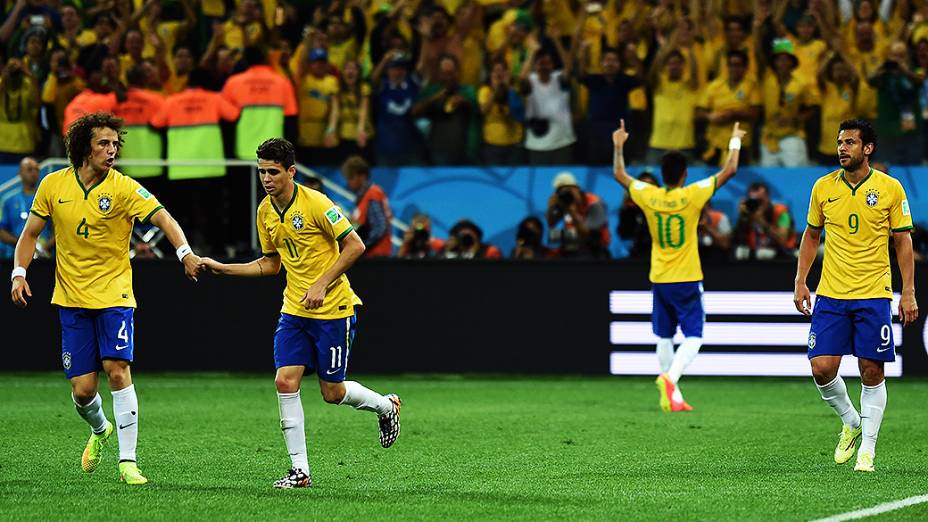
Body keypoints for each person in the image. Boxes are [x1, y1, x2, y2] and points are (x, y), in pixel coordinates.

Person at [9, 112, 203, 486]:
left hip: (115, 294)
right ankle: (100, 428)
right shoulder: (52, 185)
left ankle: (128, 463)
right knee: (83, 391)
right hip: (71, 297)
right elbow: (31, 234)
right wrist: (19, 273)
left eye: (115, 144)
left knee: (117, 369)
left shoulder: (125, 188)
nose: (112, 150)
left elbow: (164, 219)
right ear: (84, 147)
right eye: (103, 143)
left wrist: (185, 254)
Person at [199, 138, 401, 489]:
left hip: (333, 308)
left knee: (332, 393)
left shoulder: (317, 203)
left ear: (291, 171)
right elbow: (271, 264)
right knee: (284, 381)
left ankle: (385, 407)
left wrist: (322, 283)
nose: (266, 178)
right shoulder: (265, 211)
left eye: (273, 172)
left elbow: (355, 245)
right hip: (293, 309)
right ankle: (300, 472)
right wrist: (224, 269)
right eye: (261, 171)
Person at [793, 119, 918, 473]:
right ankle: (851, 419)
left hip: (873, 293)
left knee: (871, 370)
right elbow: (811, 235)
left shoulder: (890, 188)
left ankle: (868, 450)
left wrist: (907, 291)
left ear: (868, 148)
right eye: (839, 142)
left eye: (850, 142)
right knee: (821, 367)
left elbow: (903, 241)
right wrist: (801, 280)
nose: (842, 148)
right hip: (831, 293)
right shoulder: (823, 187)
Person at [612, 119, 746, 412]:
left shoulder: (650, 195)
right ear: (684, 174)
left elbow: (619, 174)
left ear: (662, 175)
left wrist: (619, 145)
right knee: (695, 335)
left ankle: (672, 397)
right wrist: (734, 140)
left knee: (664, 334)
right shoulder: (692, 194)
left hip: (659, 277)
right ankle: (670, 378)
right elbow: (730, 170)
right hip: (686, 276)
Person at [545, 172, 610, 259]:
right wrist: (551, 208)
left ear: (577, 189)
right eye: (562, 192)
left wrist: (571, 211)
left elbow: (586, 234)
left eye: (569, 190)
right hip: (573, 245)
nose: (568, 194)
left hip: (595, 248)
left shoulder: (595, 203)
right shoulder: (564, 202)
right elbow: (550, 224)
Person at [341, 155, 393, 257]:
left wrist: (361, 246)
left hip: (376, 256)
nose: (348, 182)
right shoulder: (363, 197)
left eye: (351, 177)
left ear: (362, 176)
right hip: (370, 255)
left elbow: (379, 227)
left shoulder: (372, 194)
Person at [0, 157, 52, 259]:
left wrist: (43, 248)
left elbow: (59, 228)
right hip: (14, 256)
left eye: (36, 170)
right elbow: (1, 230)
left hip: (44, 257)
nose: (33, 173)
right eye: (29, 169)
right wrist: (22, 243)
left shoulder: (49, 197)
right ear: (20, 173)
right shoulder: (8, 200)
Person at [733, 182, 798, 260]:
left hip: (783, 256)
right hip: (755, 258)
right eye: (754, 201)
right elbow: (735, 241)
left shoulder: (781, 213)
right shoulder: (749, 213)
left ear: (768, 198)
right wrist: (742, 218)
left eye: (760, 201)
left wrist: (762, 222)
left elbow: (782, 240)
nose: (758, 205)